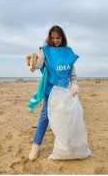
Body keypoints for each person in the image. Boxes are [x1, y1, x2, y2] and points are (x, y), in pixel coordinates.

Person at [27, 25, 80, 161]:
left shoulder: (68, 52)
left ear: (62, 38)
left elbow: (71, 69)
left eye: (58, 37)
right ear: (49, 38)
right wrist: (33, 64)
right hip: (50, 90)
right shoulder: (45, 50)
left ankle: (66, 144)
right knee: (45, 117)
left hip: (64, 91)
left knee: (66, 117)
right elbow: (38, 64)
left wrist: (74, 83)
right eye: (52, 38)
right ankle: (36, 145)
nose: (55, 40)